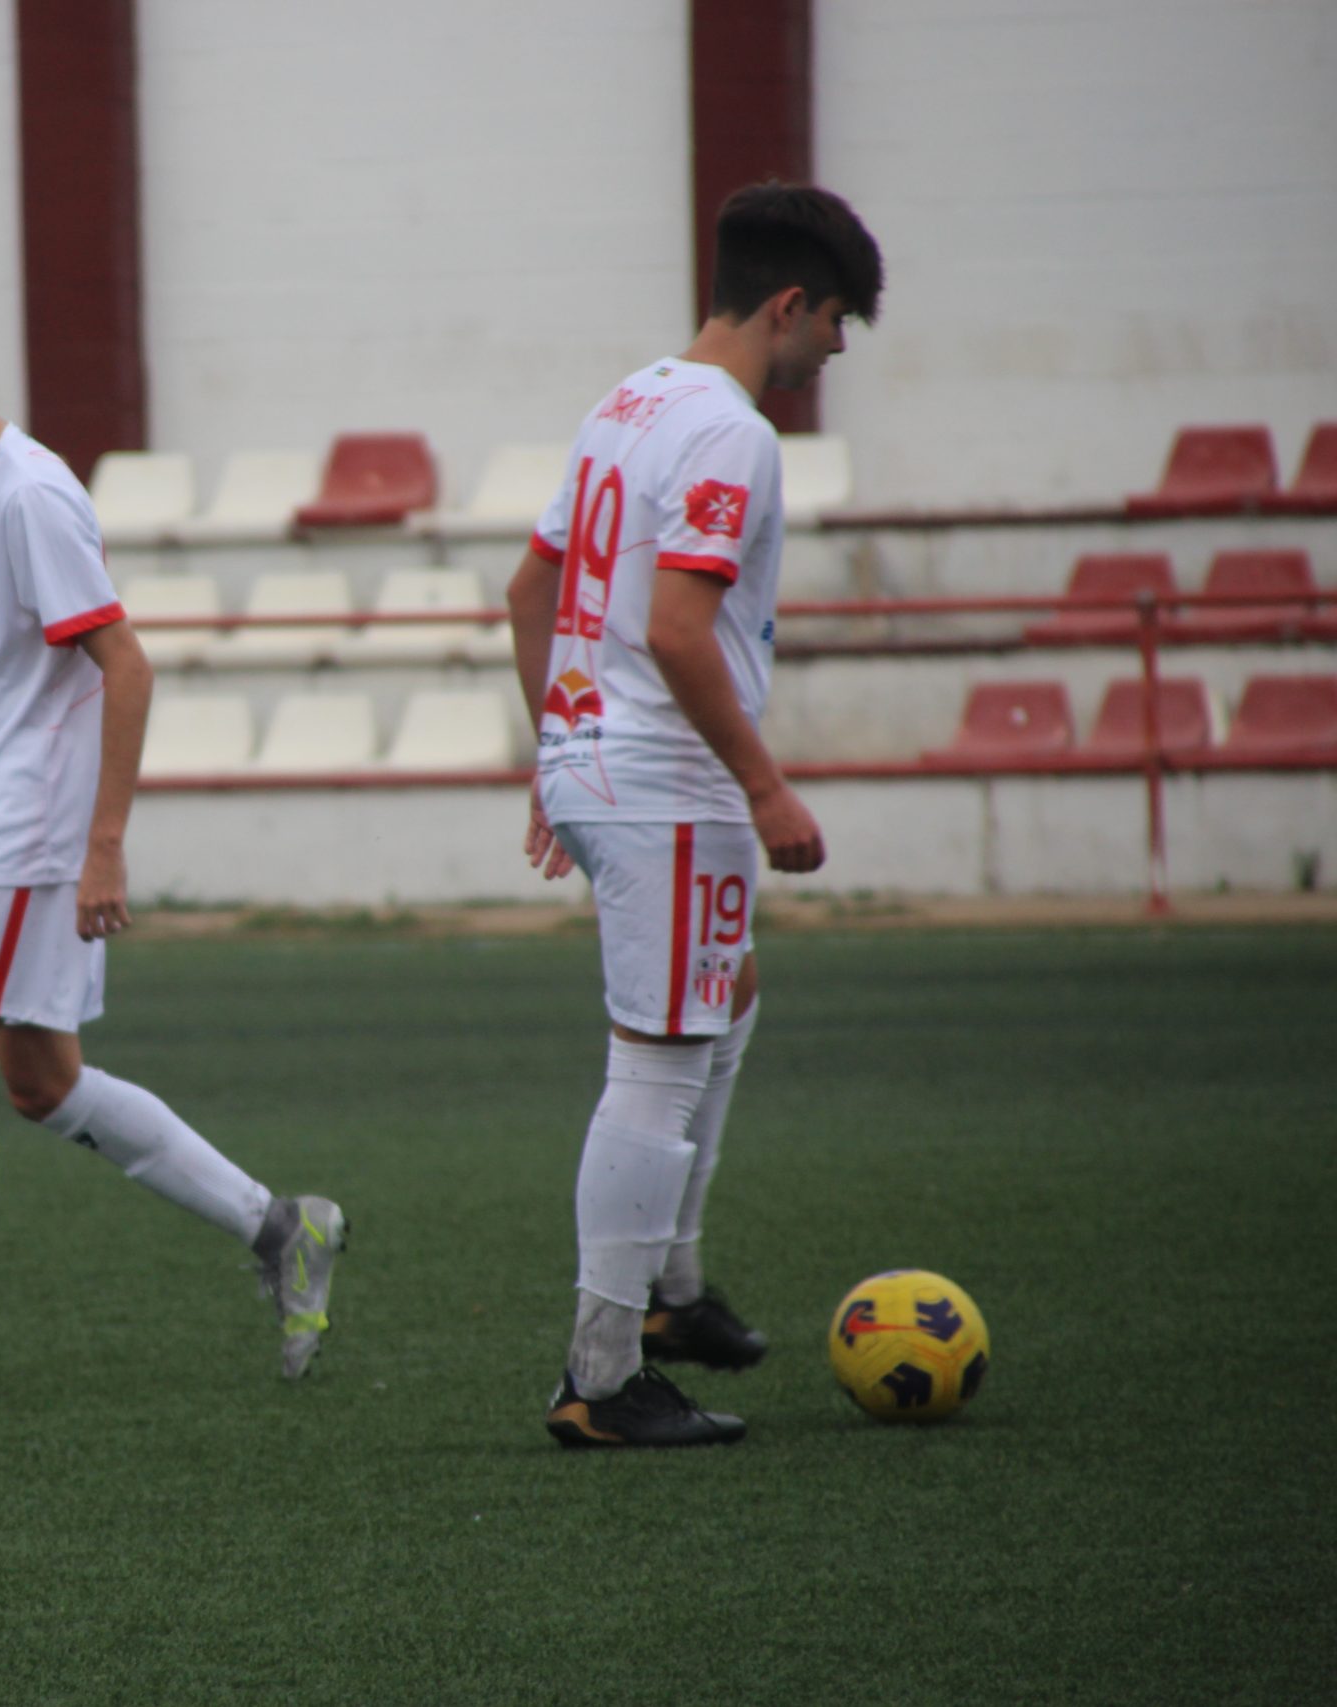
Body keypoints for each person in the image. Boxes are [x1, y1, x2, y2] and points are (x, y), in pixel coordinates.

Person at [0, 297, 345, 1400]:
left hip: (35, 832)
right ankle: (281, 1227)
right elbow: (7, 685)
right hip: (2, 820)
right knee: (42, 1080)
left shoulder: (30, 495)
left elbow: (125, 666)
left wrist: (104, 847)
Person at [508, 181, 884, 1447]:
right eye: (835, 323)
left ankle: (670, 1292)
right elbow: (677, 629)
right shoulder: (731, 432)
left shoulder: (626, 402)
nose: (834, 350)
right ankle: (601, 1381)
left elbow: (529, 590)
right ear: (789, 304)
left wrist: (558, 746)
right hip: (667, 781)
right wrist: (763, 784)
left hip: (602, 760)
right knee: (658, 1060)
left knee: (726, 990)